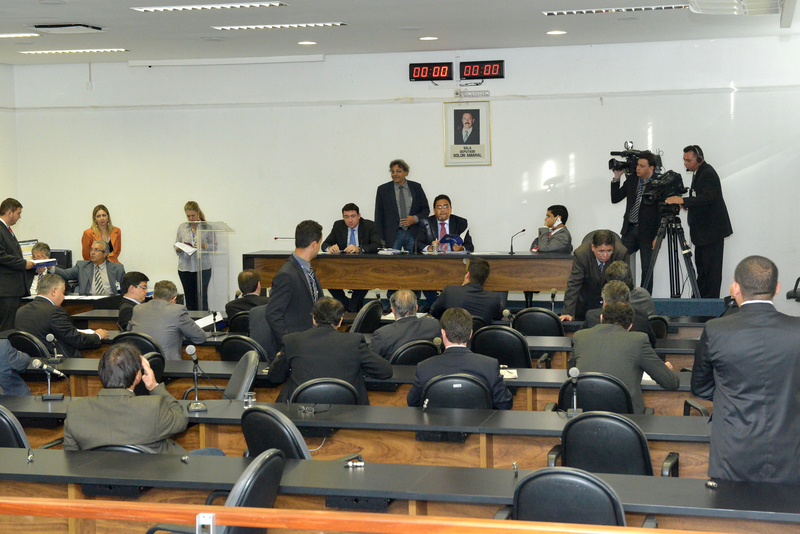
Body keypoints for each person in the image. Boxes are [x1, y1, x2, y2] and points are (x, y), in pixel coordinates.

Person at [692, 255, 800, 483]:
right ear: (777, 288)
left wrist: (730, 394)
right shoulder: (796, 330)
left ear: (736, 288)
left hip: (732, 449)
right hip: (791, 450)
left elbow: (700, 387)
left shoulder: (715, 330)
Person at [62, 343, 221, 454]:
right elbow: (180, 420)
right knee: (215, 453)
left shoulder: (75, 410)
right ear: (138, 375)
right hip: (157, 479)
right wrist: (154, 386)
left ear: (101, 372)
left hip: (100, 483)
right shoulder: (153, 407)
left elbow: (71, 457)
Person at [267, 297, 392, 404]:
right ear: (340, 321)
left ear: (314, 319)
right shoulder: (354, 342)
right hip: (348, 412)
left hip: (299, 412)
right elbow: (385, 371)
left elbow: (274, 377)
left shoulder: (292, 341)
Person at [570, 301, 678, 414]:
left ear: (601, 318)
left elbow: (571, 372)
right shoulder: (638, 340)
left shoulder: (580, 336)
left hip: (583, 416)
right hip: (625, 419)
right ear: (630, 326)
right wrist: (664, 370)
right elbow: (670, 382)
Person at [407, 307, 512, 409]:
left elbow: (412, 403)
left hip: (436, 421)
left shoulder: (424, 367)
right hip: (479, 421)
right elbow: (505, 404)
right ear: (470, 334)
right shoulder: (490, 366)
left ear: (443, 333)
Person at [665, 145, 733, 298]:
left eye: (688, 160)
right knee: (702, 271)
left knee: (711, 273)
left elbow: (708, 197)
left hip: (711, 233)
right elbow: (700, 197)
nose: (685, 163)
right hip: (703, 234)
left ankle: (709, 305)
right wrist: (687, 203)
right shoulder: (698, 173)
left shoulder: (707, 173)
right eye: (684, 160)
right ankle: (700, 302)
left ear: (700, 159)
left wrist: (683, 200)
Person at [15, 274, 108, 358]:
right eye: (63, 292)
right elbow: (75, 340)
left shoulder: (20, 311)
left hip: (31, 364)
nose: (63, 297)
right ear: (54, 291)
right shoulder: (55, 312)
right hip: (58, 363)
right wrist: (97, 336)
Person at [265, 220, 324, 352]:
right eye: (319, 243)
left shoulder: (307, 268)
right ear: (314, 244)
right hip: (296, 346)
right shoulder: (287, 274)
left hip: (311, 341)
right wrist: (289, 343)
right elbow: (273, 314)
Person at [611, 151, 660, 293]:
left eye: (642, 166)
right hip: (630, 229)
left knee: (647, 269)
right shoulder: (633, 180)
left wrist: (658, 235)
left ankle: (644, 298)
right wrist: (617, 177)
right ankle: (622, 295)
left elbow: (662, 213)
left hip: (648, 233)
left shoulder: (658, 183)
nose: (638, 168)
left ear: (651, 168)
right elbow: (615, 198)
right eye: (637, 165)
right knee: (619, 263)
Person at [321, 203, 381, 312]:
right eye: (346, 217)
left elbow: (377, 245)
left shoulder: (369, 226)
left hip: (362, 268)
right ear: (343, 217)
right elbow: (324, 244)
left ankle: (352, 308)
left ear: (359, 216)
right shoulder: (338, 226)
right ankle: (346, 305)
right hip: (342, 267)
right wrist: (330, 248)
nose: (350, 220)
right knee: (328, 278)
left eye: (353, 216)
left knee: (366, 280)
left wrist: (359, 249)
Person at [129, 280, 206, 361]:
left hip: (138, 363)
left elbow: (129, 332)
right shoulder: (178, 311)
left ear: (153, 295)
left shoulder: (138, 309)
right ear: (174, 299)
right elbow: (200, 337)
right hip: (167, 364)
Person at [419, 194, 475, 307]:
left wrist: (460, 249)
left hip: (454, 263)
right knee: (424, 274)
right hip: (433, 263)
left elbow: (470, 246)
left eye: (445, 206)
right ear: (434, 210)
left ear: (450, 208)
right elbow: (418, 243)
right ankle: (433, 305)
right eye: (439, 207)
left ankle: (453, 305)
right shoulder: (426, 222)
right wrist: (429, 248)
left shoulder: (460, 222)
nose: (443, 210)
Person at [560, 230, 628, 322]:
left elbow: (622, 284)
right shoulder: (581, 254)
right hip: (586, 301)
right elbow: (574, 284)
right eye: (601, 251)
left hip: (611, 303)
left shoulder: (621, 253)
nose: (605, 255)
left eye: (609, 251)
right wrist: (568, 312)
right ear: (593, 247)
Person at [374, 159, 430, 252]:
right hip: (392, 235)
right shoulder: (383, 190)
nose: (395, 174)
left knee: (414, 260)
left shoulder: (416, 187)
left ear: (406, 173)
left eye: (398, 171)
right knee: (393, 260)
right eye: (392, 171)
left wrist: (415, 219)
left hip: (413, 233)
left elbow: (426, 210)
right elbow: (378, 215)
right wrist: (380, 238)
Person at [580, 280, 657, 348]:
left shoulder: (592, 316)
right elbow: (652, 343)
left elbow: (577, 342)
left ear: (604, 302)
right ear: (628, 301)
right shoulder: (641, 316)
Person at [370, 289, 441, 359]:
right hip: (428, 366)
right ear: (416, 307)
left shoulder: (382, 335)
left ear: (393, 310)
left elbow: (370, 362)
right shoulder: (435, 325)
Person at [430, 257, 503, 325]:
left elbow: (433, 311)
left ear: (467, 274)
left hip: (452, 333)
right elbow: (499, 316)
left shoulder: (450, 291)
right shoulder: (493, 298)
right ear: (486, 280)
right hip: (479, 334)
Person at [0, 198, 34, 331]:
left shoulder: (7, 229)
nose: (19, 217)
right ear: (9, 212)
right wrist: (24, 263)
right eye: (18, 213)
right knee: (7, 328)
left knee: (11, 325)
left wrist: (31, 267)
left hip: (12, 289)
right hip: (6, 290)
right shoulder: (1, 229)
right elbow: (1, 257)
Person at [175, 201, 213, 311]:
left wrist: (204, 245)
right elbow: (176, 246)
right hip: (185, 268)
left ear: (198, 213)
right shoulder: (182, 227)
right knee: (189, 299)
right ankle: (191, 320)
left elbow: (214, 247)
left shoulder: (207, 227)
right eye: (188, 216)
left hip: (203, 268)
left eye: (193, 215)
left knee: (202, 298)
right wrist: (180, 247)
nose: (191, 218)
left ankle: (204, 321)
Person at [55, 240, 126, 296]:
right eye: (91, 250)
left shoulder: (117, 268)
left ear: (105, 254)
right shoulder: (82, 266)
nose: (92, 253)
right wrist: (50, 267)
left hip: (111, 302)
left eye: (96, 250)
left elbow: (124, 290)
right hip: (88, 304)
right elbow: (65, 274)